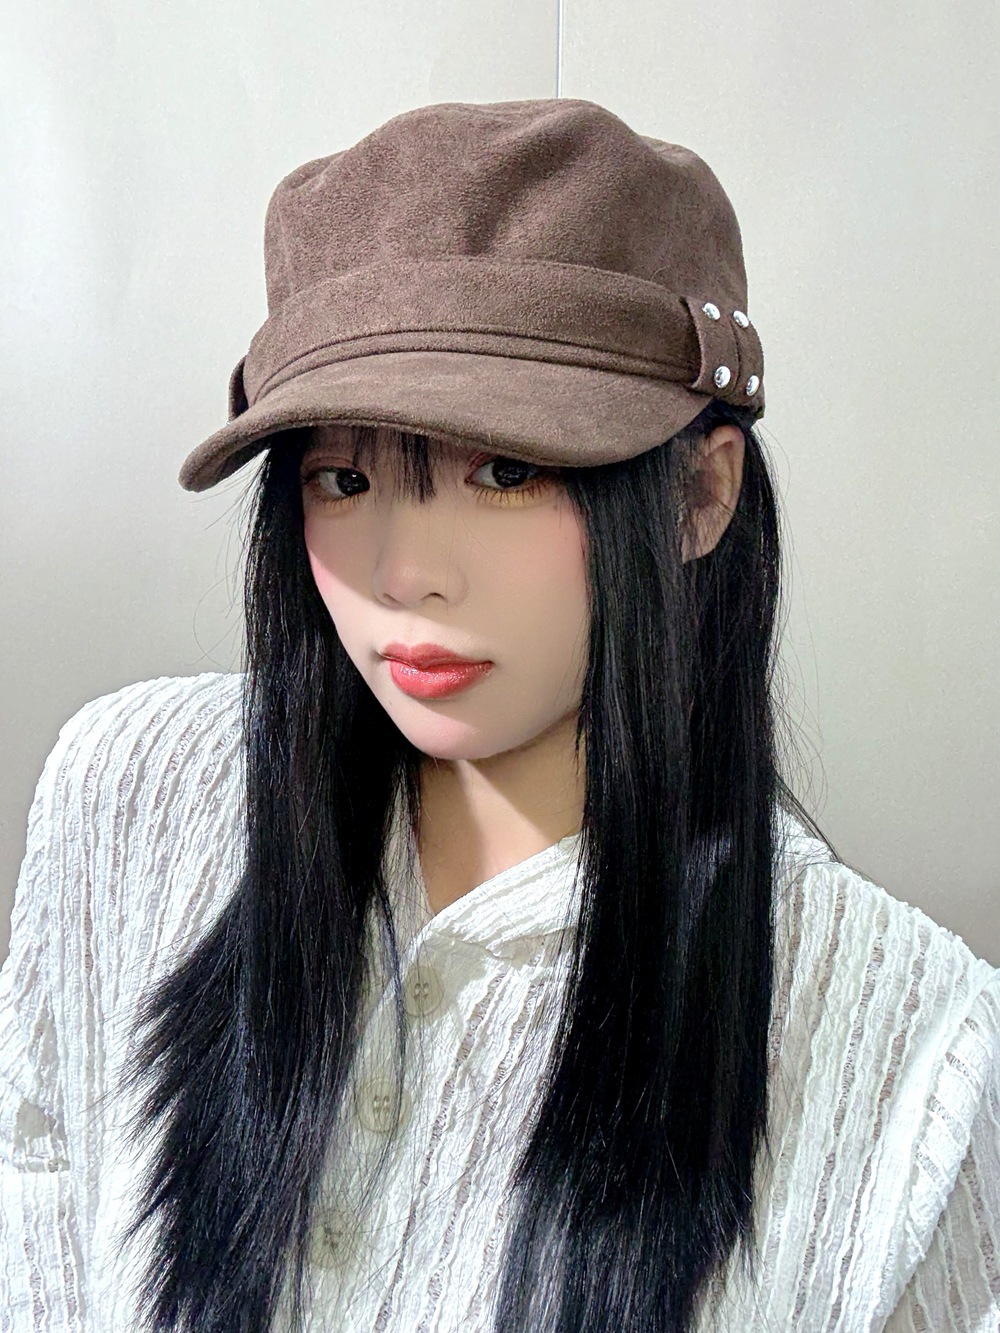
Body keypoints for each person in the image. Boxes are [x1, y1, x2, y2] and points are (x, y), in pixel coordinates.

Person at [1, 98, 997, 1333]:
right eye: (343, 477)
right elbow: (37, 1216)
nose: (406, 571)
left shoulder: (906, 1039)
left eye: (506, 471)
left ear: (698, 496)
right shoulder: (134, 794)